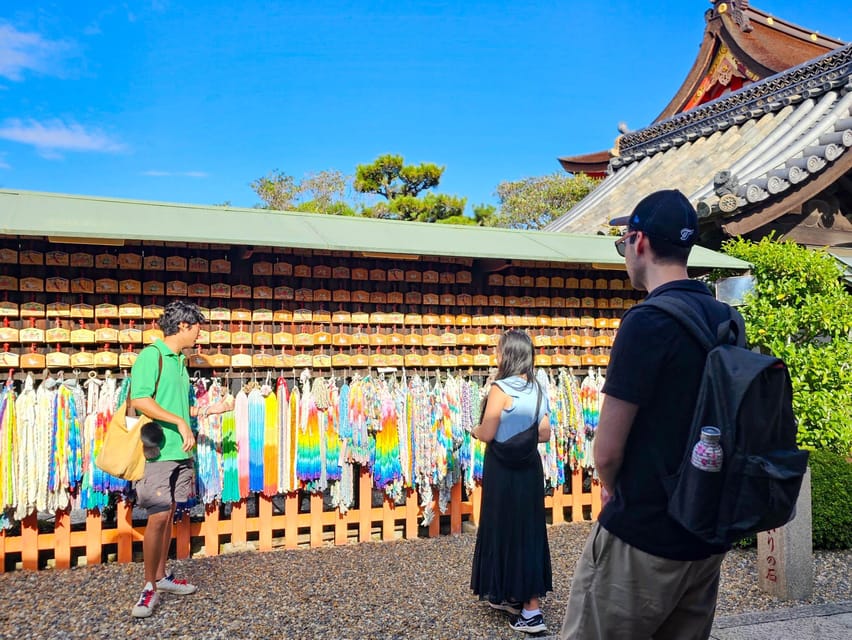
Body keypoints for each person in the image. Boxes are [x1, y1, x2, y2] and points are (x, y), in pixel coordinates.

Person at [559, 190, 733, 640]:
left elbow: (608, 451)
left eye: (623, 244)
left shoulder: (646, 321)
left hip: (644, 534)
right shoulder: (726, 319)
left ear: (638, 242)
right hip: (704, 533)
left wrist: (614, 492)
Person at [129, 300, 230, 618]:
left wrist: (209, 411)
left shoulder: (179, 362)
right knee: (157, 517)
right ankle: (148, 588)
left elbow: (178, 407)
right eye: (198, 327)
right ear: (183, 326)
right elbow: (140, 399)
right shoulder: (152, 356)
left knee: (169, 513)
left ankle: (161, 576)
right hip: (158, 451)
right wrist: (179, 422)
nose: (200, 333)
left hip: (180, 452)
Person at [471, 329, 552, 635]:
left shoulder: (499, 389)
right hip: (529, 469)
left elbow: (488, 433)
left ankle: (530, 611)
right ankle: (514, 596)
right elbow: (544, 433)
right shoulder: (537, 388)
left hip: (502, 471)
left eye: (499, 350)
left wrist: (474, 429)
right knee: (529, 531)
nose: (496, 354)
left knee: (502, 527)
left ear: (509, 355)